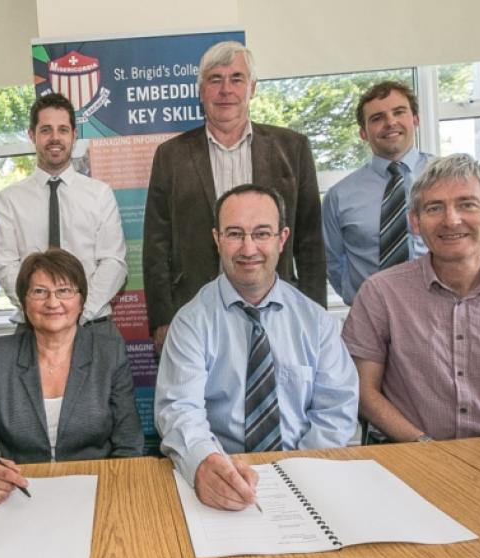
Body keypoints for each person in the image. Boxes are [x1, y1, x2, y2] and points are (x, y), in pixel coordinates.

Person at [154, 185, 357, 511]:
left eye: (261, 233)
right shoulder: (191, 322)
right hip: (225, 472)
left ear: (282, 238)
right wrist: (206, 464)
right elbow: (180, 410)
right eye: (234, 233)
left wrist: (300, 472)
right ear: (217, 239)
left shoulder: (316, 322)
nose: (248, 248)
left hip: (306, 474)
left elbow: (336, 412)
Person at [143, 41, 326, 353]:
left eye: (236, 78)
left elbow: (309, 241)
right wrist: (163, 318)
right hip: (196, 313)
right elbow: (156, 244)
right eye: (215, 80)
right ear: (201, 91)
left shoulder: (291, 148)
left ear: (252, 88)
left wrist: (313, 312)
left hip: (277, 308)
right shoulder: (170, 156)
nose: (225, 89)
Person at [0, 249, 143, 506]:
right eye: (39, 291)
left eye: (64, 291)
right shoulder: (1, 355)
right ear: (24, 301)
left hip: (96, 490)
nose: (52, 302)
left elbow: (129, 445)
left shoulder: (108, 353)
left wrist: (112, 498)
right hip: (22, 494)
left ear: (81, 300)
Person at [343, 153, 480, 442]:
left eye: (467, 204)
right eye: (435, 208)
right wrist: (424, 446)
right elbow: (363, 389)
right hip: (412, 455)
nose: (451, 220)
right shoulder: (381, 293)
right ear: (415, 222)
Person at [0, 93, 127, 337]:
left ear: (74, 136)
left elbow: (113, 262)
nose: (55, 138)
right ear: (32, 135)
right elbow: (5, 265)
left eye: (63, 129)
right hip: (32, 328)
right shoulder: (9, 199)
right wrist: (41, 311)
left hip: (91, 325)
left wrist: (78, 313)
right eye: (46, 130)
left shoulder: (99, 194)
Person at [322, 81, 431, 305]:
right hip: (371, 317)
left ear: (416, 119)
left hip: (439, 311)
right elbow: (332, 262)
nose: (390, 122)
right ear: (363, 133)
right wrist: (361, 301)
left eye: (399, 112)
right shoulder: (339, 196)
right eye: (377, 118)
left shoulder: (447, 179)